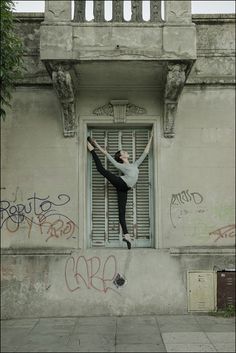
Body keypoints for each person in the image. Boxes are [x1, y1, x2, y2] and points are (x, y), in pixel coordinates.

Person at [87, 129, 153, 249]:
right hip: (121, 182)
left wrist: (151, 137)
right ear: (121, 156)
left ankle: (126, 236)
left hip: (125, 188)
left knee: (122, 212)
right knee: (102, 170)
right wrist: (96, 145)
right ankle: (92, 150)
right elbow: (107, 154)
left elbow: (145, 152)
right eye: (124, 152)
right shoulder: (120, 165)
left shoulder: (135, 164)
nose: (126, 152)